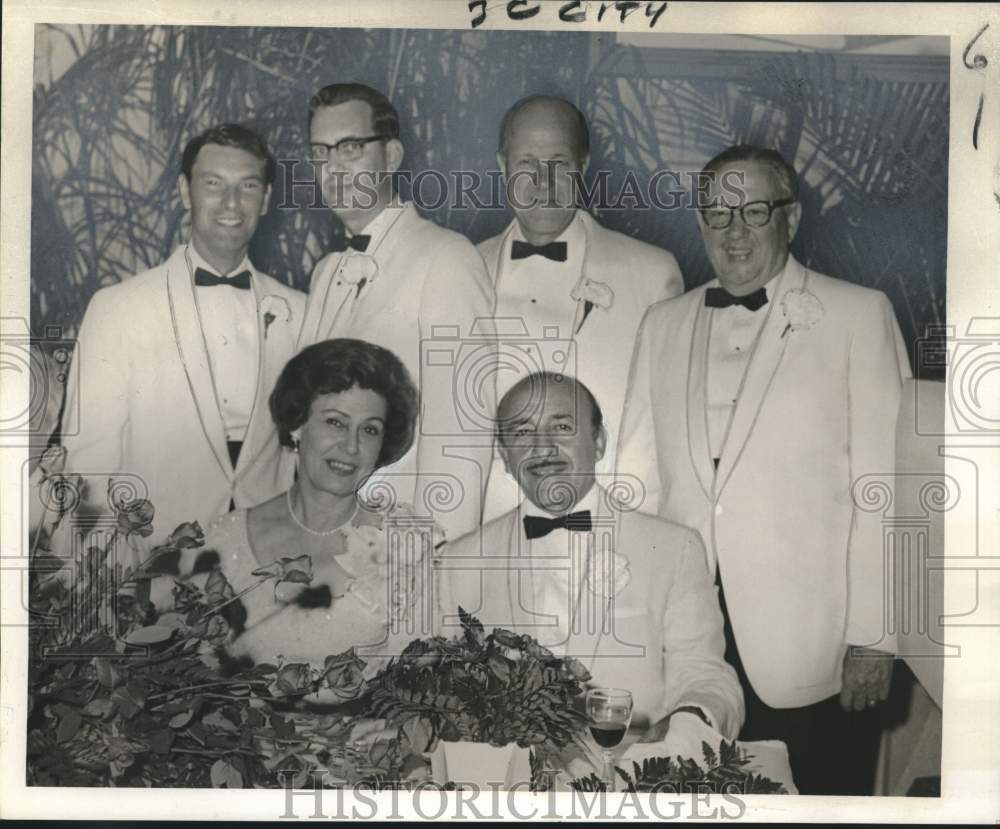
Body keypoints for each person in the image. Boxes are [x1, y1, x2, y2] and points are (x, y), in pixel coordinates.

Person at [617, 145, 912, 794]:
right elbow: (635, 483)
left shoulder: (859, 315)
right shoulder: (662, 324)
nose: (735, 229)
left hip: (814, 651)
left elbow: (888, 494)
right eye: (718, 213)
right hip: (689, 643)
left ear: (792, 219)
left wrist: (876, 637)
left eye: (755, 209)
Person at [435, 371, 743, 740]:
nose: (543, 448)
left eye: (561, 426)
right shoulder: (457, 562)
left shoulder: (675, 548)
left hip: (631, 778)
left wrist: (687, 725)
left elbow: (707, 675)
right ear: (504, 455)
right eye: (522, 432)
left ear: (599, 442)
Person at [57, 124, 305, 545]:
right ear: (186, 192)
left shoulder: (300, 311)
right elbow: (88, 463)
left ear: (265, 200)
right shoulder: (118, 307)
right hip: (150, 556)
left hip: (264, 559)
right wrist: (95, 579)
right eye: (213, 184)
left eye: (247, 186)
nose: (231, 203)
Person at [293, 83, 496, 543]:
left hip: (396, 548)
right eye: (320, 152)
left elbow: (461, 440)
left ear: (392, 155)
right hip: (319, 541)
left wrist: (433, 563)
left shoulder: (446, 257)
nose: (333, 167)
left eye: (350, 148)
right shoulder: (327, 272)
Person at [479, 95, 684, 521]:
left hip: (612, 527)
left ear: (583, 166)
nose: (543, 181)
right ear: (502, 166)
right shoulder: (462, 269)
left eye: (559, 162)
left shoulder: (651, 274)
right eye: (526, 164)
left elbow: (662, 431)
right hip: (486, 530)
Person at [191, 338, 437, 673]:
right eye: (335, 422)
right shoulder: (225, 538)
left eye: (369, 430)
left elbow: (424, 679)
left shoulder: (408, 546)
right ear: (297, 425)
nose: (351, 447)